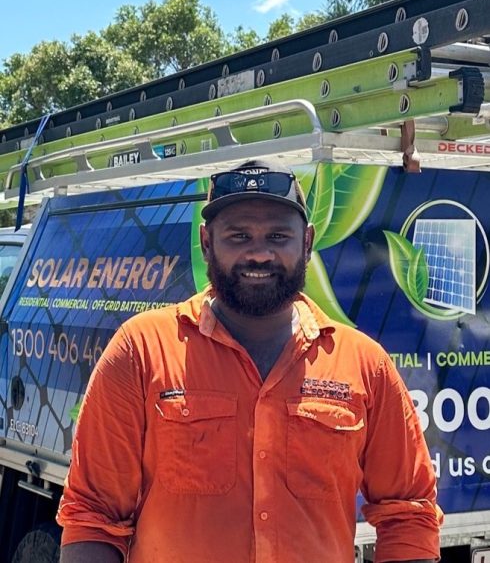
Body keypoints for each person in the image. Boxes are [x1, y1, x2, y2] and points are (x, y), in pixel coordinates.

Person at [57, 159, 442, 563]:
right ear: (207, 243)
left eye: (278, 236)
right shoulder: (141, 350)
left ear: (307, 243)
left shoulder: (364, 364)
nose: (259, 253)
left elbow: (408, 510)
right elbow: (93, 514)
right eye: (239, 236)